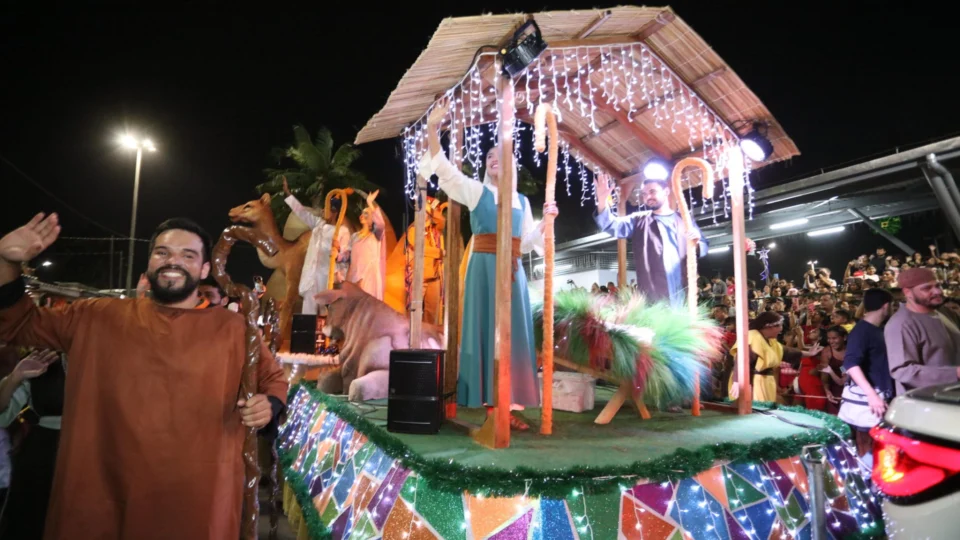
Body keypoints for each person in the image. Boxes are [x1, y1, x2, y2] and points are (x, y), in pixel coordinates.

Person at [0, 214, 288, 539]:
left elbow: (274, 381)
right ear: (150, 262)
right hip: (102, 496)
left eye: (187, 255)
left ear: (206, 270)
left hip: (197, 500)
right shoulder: (95, 316)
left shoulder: (235, 329)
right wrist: (6, 263)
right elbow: (18, 323)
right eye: (162, 252)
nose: (172, 261)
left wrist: (268, 405)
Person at [421, 99, 556, 430]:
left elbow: (525, 243)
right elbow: (444, 169)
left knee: (512, 337)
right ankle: (493, 408)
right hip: (482, 269)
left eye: (501, 156)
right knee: (486, 333)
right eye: (489, 157)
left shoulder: (522, 201)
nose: (494, 159)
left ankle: (507, 404)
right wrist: (433, 128)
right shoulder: (475, 190)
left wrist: (545, 224)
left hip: (512, 272)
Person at [593, 174, 707, 308]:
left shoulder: (684, 219)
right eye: (644, 194)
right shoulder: (638, 220)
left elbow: (702, 247)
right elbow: (611, 225)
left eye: (652, 191)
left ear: (666, 192)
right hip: (654, 296)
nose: (648, 197)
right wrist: (602, 201)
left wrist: (697, 242)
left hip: (684, 292)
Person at [0, 349, 62, 538]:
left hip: (91, 452)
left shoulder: (105, 362)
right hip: (43, 454)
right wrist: (15, 378)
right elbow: (2, 416)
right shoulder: (45, 361)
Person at [885, 267, 960, 395]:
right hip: (929, 405)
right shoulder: (901, 324)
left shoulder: (945, 313)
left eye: (937, 286)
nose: (937, 291)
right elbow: (903, 371)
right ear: (908, 292)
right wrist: (956, 373)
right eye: (927, 288)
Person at [839, 289, 895, 458]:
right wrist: (871, 394)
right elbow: (850, 363)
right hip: (870, 401)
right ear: (886, 306)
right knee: (869, 446)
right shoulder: (862, 330)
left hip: (880, 395)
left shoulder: (876, 329)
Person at [283, 177, 351, 314]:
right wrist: (288, 194)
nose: (322, 211)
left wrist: (338, 250)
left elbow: (346, 255)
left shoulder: (342, 230)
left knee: (325, 313)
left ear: (334, 211)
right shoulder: (318, 224)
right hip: (311, 275)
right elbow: (301, 212)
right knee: (308, 312)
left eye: (326, 209)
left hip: (326, 276)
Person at [729, 312, 823, 402]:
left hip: (765, 381)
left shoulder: (770, 340)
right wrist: (738, 382)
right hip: (752, 381)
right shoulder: (752, 337)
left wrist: (809, 353)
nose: (781, 329)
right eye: (778, 326)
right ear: (767, 326)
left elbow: (786, 351)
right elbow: (742, 361)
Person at [340, 190, 387, 300]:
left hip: (369, 277)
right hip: (354, 275)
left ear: (373, 218)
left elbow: (380, 224)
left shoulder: (375, 236)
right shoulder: (355, 236)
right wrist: (338, 252)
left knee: (367, 305)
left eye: (366, 213)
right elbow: (347, 256)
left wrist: (370, 202)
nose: (362, 215)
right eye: (362, 213)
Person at [820, 325, 848, 413]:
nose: (831, 341)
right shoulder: (827, 351)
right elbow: (824, 375)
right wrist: (827, 391)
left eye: (834, 338)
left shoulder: (851, 349)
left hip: (850, 386)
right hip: (833, 387)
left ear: (844, 338)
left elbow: (842, 379)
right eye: (829, 338)